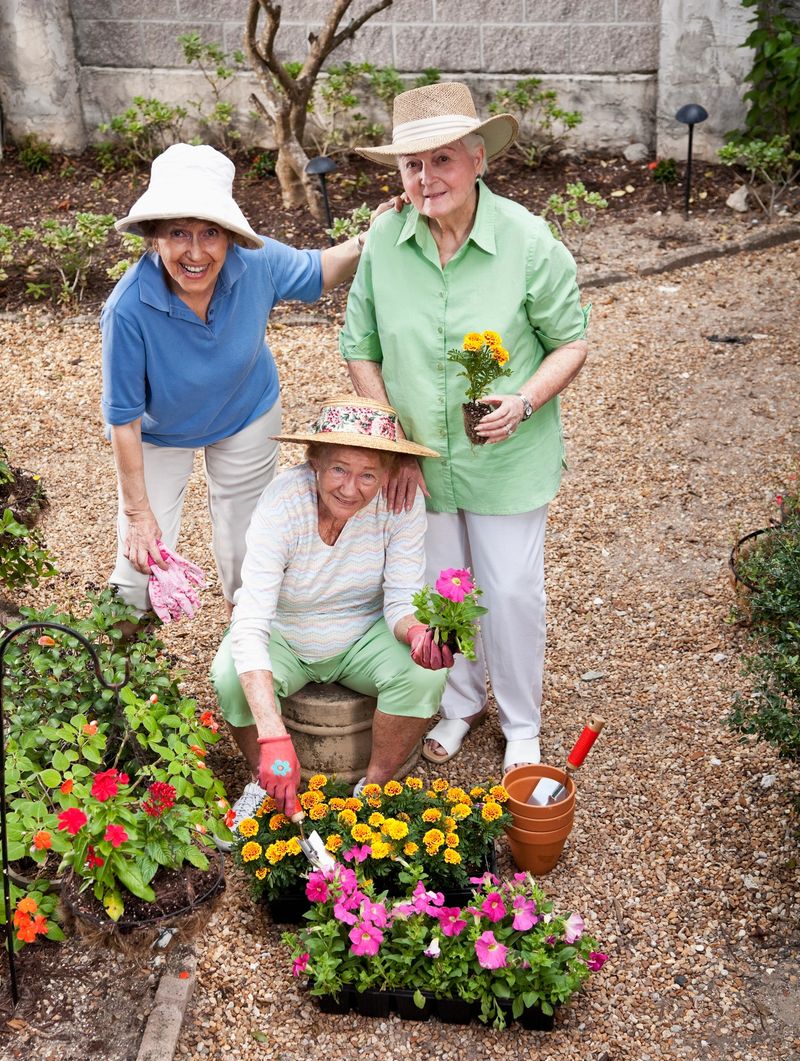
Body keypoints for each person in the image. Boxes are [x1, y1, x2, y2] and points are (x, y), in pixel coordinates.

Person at [339, 82, 589, 774]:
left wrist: (525, 400)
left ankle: (522, 723)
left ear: (479, 160)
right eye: (412, 165)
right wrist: (392, 443)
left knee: (508, 590)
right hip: (419, 462)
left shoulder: (529, 242)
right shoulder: (387, 238)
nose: (426, 179)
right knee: (442, 586)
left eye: (442, 160)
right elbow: (359, 344)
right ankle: (458, 702)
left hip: (509, 458)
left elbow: (571, 342)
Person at [101, 142, 375, 619]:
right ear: (154, 238)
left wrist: (369, 241)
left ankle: (245, 652)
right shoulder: (127, 311)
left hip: (245, 411)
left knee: (248, 550)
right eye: (178, 232)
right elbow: (123, 422)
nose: (194, 251)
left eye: (210, 233)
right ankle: (126, 670)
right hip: (160, 431)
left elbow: (317, 271)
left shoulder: (257, 263)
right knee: (138, 566)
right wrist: (137, 514)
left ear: (230, 236)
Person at [210, 397, 452, 827]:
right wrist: (273, 736)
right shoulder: (283, 504)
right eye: (339, 468)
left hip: (364, 631)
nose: (349, 487)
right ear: (314, 461)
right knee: (231, 674)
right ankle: (264, 780)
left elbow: (399, 598)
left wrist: (416, 634)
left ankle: (375, 788)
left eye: (368, 475)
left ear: (389, 474)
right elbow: (250, 621)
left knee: (424, 671)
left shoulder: (400, 502)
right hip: (287, 631)